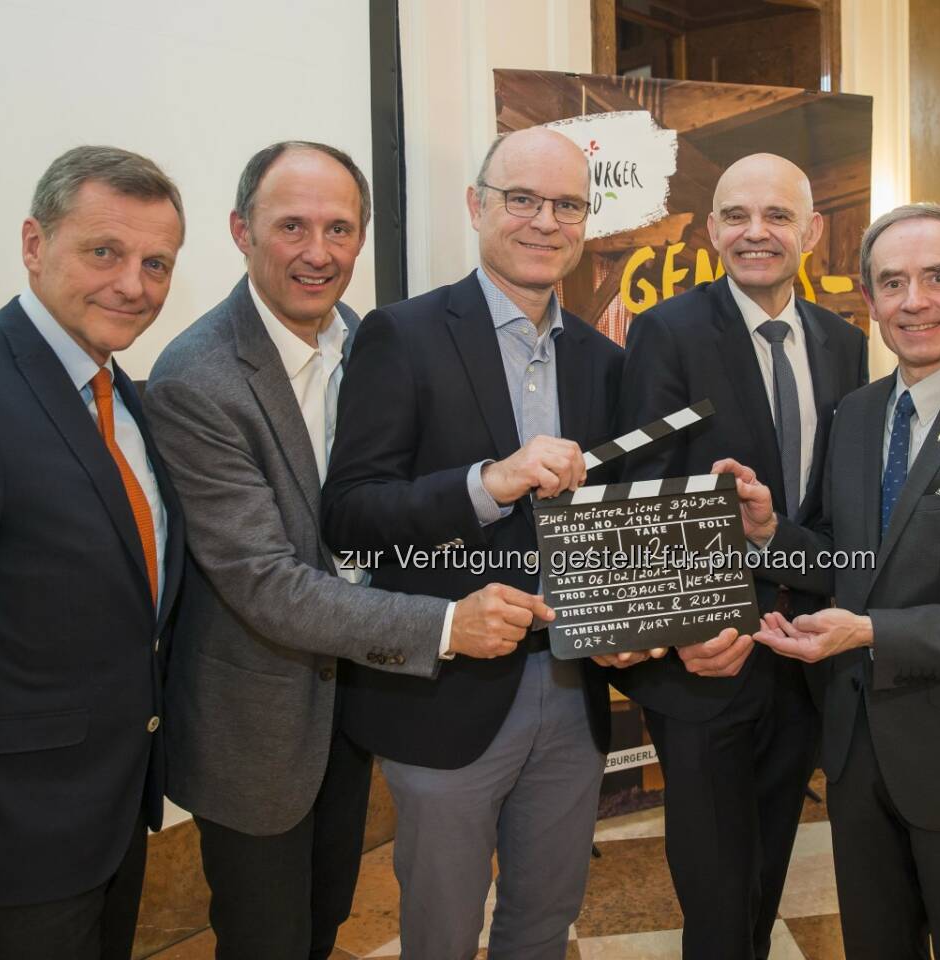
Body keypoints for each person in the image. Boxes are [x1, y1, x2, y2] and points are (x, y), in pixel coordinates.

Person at [143, 141, 543, 960]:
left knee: (324, 926)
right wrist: (444, 626)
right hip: (256, 732)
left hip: (355, 710)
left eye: (339, 228)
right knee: (265, 942)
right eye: (292, 226)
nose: (318, 252)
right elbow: (267, 585)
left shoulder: (370, 340)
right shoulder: (198, 377)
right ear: (240, 231)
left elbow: (384, 515)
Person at [728, 202, 940, 958]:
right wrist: (766, 534)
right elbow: (842, 560)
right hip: (857, 753)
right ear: (870, 300)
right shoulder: (855, 415)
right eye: (892, 282)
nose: (914, 300)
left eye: (936, 277)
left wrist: (873, 632)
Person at [319, 127, 623, 960]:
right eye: (521, 198)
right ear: (476, 206)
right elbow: (349, 512)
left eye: (566, 204)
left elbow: (609, 519)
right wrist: (487, 484)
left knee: (544, 922)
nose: (544, 221)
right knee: (444, 934)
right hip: (444, 696)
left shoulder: (600, 357)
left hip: (570, 688)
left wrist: (630, 616)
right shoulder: (400, 334)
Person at [0, 146, 186, 960]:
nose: (133, 284)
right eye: (105, 252)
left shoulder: (122, 393)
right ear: (34, 244)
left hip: (110, 823)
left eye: (157, 263)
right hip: (0, 858)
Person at [608, 152, 867, 958]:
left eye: (778, 216)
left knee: (766, 874)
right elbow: (644, 489)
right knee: (716, 894)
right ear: (713, 227)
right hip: (706, 659)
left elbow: (836, 504)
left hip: (805, 656)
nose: (756, 233)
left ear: (813, 232)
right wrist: (693, 624)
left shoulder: (843, 342)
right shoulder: (668, 332)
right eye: (737, 216)